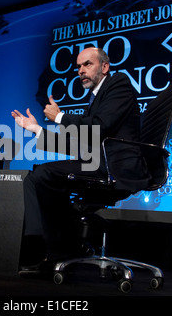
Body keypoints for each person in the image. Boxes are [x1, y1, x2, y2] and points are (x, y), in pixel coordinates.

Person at [11, 47, 151, 274]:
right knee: (39, 176)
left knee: (42, 177)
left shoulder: (119, 84)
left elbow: (99, 127)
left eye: (88, 64)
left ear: (104, 67)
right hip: (98, 162)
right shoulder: (96, 99)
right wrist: (36, 129)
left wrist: (59, 117)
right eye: (78, 66)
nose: (81, 71)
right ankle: (65, 248)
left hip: (114, 167)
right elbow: (81, 145)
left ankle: (43, 250)